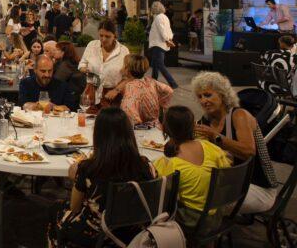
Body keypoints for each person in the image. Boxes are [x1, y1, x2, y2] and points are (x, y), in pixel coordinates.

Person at [49, 107, 156, 246]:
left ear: (98, 135)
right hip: (135, 233)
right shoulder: (146, 165)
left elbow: (75, 207)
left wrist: (77, 177)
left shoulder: (89, 168)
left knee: (55, 208)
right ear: (129, 133)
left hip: (97, 234)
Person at [192, 71, 280, 214]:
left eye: (207, 95)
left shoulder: (239, 115)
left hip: (257, 187)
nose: (203, 101)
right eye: (200, 97)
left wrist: (216, 137)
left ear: (222, 95)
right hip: (230, 180)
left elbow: (249, 152)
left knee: (198, 199)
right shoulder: (206, 120)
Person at [154, 105, 230, 230]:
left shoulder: (169, 163)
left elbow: (160, 195)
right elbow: (227, 172)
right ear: (193, 125)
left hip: (191, 221)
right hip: (217, 214)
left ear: (164, 129)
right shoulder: (210, 147)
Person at [106, 54, 173, 126]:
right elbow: (169, 91)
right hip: (157, 125)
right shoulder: (150, 81)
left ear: (127, 69)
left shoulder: (131, 87)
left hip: (143, 129)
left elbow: (129, 111)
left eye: (123, 65)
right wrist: (161, 105)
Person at [78, 19, 130, 104]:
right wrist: (85, 70)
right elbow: (82, 64)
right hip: (91, 92)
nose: (103, 39)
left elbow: (128, 77)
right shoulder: (92, 45)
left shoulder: (124, 51)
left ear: (115, 35)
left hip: (112, 95)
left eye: (107, 36)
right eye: (101, 35)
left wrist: (116, 90)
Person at [148, 1, 178, 89]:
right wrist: (170, 38)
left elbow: (162, 30)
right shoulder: (165, 17)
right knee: (155, 64)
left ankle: (173, 83)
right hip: (160, 43)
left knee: (160, 65)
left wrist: (167, 39)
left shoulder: (158, 18)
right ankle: (153, 81)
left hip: (158, 44)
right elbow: (169, 29)